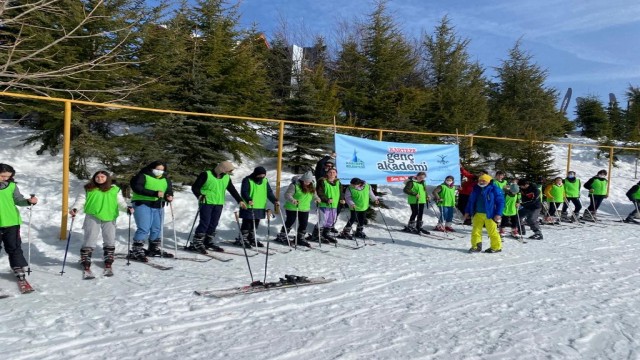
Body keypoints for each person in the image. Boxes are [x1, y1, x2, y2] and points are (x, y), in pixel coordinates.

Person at [70, 170, 131, 272]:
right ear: (94, 178)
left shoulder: (114, 189)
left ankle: (109, 257)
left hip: (110, 216)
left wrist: (127, 208)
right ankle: (85, 257)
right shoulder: (88, 188)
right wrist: (75, 208)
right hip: (93, 216)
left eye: (102, 177)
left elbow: (120, 202)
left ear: (107, 178)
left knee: (109, 237)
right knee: (90, 237)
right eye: (97, 177)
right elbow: (81, 200)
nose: (100, 178)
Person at [189, 161, 246, 254]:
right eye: (228, 171)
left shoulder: (226, 177)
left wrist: (240, 200)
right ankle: (197, 242)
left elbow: (232, 189)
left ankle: (207, 241)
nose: (229, 173)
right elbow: (195, 187)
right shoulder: (206, 175)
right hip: (206, 202)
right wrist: (199, 195)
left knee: (214, 223)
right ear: (222, 169)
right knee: (205, 222)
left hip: (219, 203)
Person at [129, 161, 174, 262]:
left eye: (162, 170)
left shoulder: (165, 179)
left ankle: (154, 248)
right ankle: (137, 249)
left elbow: (169, 190)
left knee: (157, 228)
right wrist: (154, 193)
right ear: (151, 168)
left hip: (158, 205)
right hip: (142, 203)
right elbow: (137, 188)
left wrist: (169, 196)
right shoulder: (143, 175)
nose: (160, 172)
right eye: (157, 169)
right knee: (144, 227)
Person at [0, 164, 38, 280]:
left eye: (7, 177)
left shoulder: (11, 186)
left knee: (14, 246)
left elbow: (18, 200)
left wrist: (29, 201)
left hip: (12, 221)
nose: (5, 178)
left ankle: (17, 266)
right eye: (2, 176)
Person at [276, 171, 320, 247]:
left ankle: (300, 237)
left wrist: (317, 199)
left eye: (309, 181)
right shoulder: (295, 185)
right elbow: (287, 195)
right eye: (306, 181)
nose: (307, 183)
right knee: (290, 221)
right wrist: (293, 200)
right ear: (302, 180)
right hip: (293, 207)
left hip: (305, 207)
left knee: (304, 223)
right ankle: (282, 235)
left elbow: (314, 195)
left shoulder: (312, 185)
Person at [238, 166, 279, 247]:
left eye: (263, 175)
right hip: (249, 205)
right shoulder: (247, 180)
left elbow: (269, 192)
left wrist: (274, 200)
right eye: (260, 175)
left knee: (255, 223)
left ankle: (251, 238)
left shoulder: (265, 181)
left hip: (260, 205)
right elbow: (244, 191)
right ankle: (243, 238)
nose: (261, 177)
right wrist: (248, 199)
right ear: (255, 174)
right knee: (247, 222)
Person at [464, 174, 504, 253]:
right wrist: (467, 211)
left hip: (490, 214)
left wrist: (498, 214)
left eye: (484, 180)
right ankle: (476, 247)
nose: (481, 182)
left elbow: (501, 202)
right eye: (480, 180)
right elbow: (471, 201)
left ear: (489, 181)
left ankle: (496, 247)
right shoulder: (476, 189)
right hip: (477, 213)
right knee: (475, 231)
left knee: (492, 232)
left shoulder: (494, 189)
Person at [316, 168, 345, 242]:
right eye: (330, 172)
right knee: (322, 221)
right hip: (324, 204)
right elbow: (319, 192)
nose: (332, 174)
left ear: (336, 174)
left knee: (330, 221)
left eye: (334, 172)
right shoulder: (323, 181)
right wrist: (326, 199)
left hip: (334, 204)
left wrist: (341, 199)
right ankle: (316, 235)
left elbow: (341, 192)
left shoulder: (338, 182)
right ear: (327, 173)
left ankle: (326, 234)